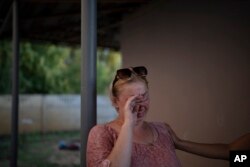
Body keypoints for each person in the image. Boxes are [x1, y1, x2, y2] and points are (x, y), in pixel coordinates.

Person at [87, 66, 250, 167]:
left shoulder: (162, 130)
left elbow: (230, 153)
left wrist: (241, 159)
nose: (140, 105)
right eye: (133, 100)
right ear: (115, 102)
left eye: (144, 96)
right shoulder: (102, 133)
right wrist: (129, 123)